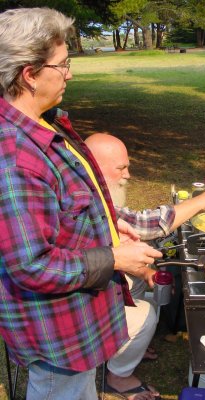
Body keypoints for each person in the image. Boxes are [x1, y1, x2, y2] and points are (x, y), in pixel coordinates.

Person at [0, 8, 163, 400]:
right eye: (63, 64)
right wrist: (116, 258)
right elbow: (31, 264)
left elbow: (68, 206)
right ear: (30, 73)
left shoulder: (46, 122)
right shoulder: (15, 158)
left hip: (79, 320)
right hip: (58, 333)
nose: (69, 73)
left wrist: (107, 226)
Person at [84, 133, 205, 357]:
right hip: (82, 303)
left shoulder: (91, 190)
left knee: (140, 285)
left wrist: (144, 271)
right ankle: (118, 375)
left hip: (96, 275)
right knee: (147, 313)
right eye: (121, 168)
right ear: (95, 168)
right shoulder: (87, 200)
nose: (128, 175)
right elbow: (147, 225)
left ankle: (127, 341)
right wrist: (201, 201)